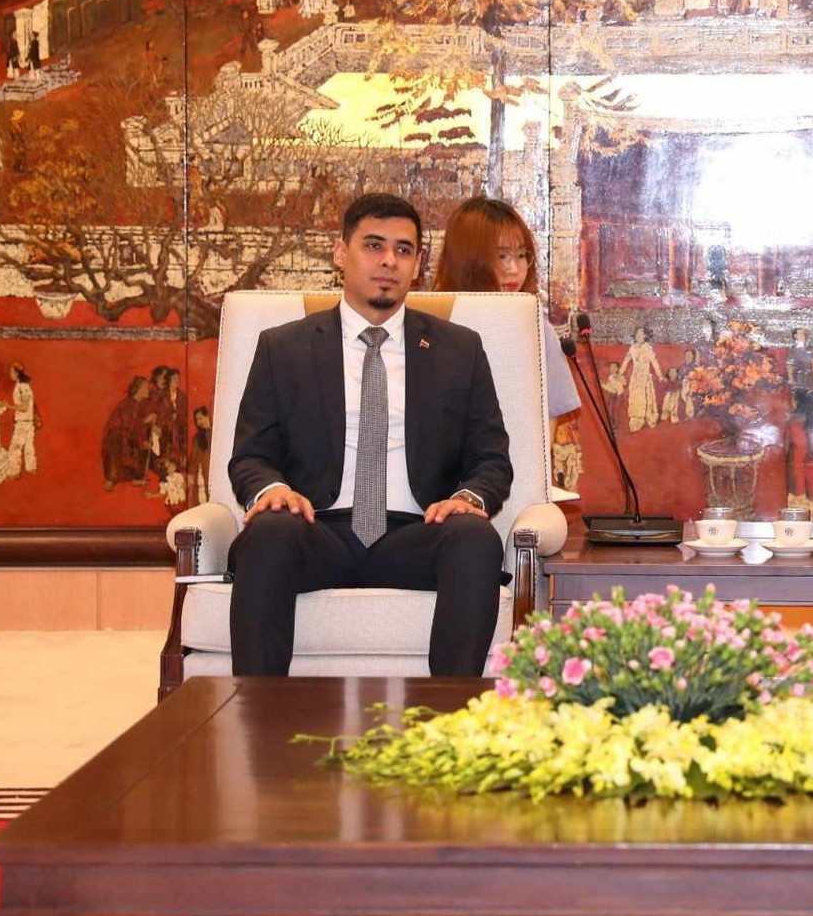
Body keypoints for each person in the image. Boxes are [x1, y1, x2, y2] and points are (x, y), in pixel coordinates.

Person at [227, 193, 513, 677]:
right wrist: (274, 490)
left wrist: (467, 498)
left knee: (475, 538)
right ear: (341, 253)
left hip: (417, 532)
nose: (389, 261)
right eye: (374, 245)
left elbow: (492, 460)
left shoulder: (459, 349)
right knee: (270, 530)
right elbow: (251, 455)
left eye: (404, 250)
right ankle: (257, 711)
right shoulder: (284, 347)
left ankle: (450, 713)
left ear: (417, 265)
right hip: (317, 528)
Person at [432, 196, 581, 425]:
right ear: (467, 260)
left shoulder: (536, 328)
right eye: (501, 256)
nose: (513, 269)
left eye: (521, 255)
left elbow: (548, 418)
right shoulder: (431, 324)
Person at [617, 325, 662, 432]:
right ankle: (636, 419)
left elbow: (654, 362)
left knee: (645, 397)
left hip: (644, 377)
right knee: (634, 397)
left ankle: (648, 417)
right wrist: (620, 373)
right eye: (637, 333)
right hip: (635, 377)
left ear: (645, 336)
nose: (639, 335)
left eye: (641, 333)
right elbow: (626, 360)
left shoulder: (648, 348)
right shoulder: (632, 348)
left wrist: (660, 375)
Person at [5, 363, 38, 478]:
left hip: (23, 422)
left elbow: (24, 407)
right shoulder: (24, 385)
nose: (10, 374)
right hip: (28, 421)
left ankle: (13, 473)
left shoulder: (22, 387)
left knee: (15, 447)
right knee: (28, 446)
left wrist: (8, 406)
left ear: (17, 373)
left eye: (11, 372)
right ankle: (31, 469)